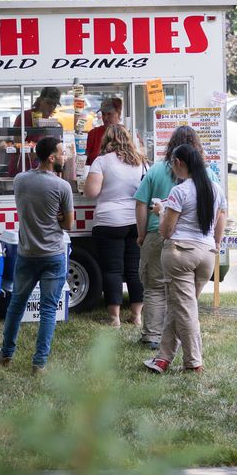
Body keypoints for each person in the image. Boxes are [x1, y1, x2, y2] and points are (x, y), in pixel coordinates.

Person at [0, 136, 73, 374]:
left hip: (27, 253)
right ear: (51, 158)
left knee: (16, 304)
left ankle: (6, 355)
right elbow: (68, 224)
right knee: (48, 309)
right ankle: (39, 363)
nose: (64, 157)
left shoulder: (20, 180)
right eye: (61, 153)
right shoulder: (62, 187)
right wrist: (57, 217)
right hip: (53, 255)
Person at [144, 144, 227, 375]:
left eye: (173, 163)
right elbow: (222, 218)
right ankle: (162, 359)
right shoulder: (215, 190)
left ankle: (194, 361)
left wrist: (161, 210)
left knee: (186, 309)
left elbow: (166, 231)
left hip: (180, 253)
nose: (172, 168)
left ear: (180, 163)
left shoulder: (179, 192)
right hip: (207, 254)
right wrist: (216, 244)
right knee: (180, 307)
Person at [133, 125, 203, 349]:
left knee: (154, 287)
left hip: (157, 234)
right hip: (193, 241)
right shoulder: (206, 174)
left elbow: (141, 203)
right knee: (184, 292)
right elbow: (217, 209)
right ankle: (183, 337)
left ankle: (152, 336)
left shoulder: (155, 171)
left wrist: (141, 234)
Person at [83, 124, 145, 327]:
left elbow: (91, 192)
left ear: (106, 140)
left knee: (112, 270)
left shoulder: (101, 162)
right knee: (134, 270)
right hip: (135, 220)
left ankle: (114, 317)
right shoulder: (140, 163)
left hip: (109, 221)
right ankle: (136, 316)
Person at [8, 87, 63, 175]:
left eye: (54, 104)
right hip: (23, 170)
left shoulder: (52, 123)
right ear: (40, 100)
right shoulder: (24, 117)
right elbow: (18, 145)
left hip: (44, 172)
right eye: (49, 103)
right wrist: (34, 154)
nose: (52, 107)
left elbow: (55, 149)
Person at [84, 97, 122, 165]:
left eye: (109, 114)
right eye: (103, 114)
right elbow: (86, 161)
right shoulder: (93, 134)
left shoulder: (127, 134)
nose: (105, 118)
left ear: (119, 114)